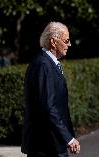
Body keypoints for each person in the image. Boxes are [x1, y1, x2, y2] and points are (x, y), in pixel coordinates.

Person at [21, 22, 81, 157]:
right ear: (54, 42)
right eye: (67, 40)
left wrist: (67, 136)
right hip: (45, 146)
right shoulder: (43, 65)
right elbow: (48, 107)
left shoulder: (47, 63)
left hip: (53, 143)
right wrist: (69, 138)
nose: (69, 44)